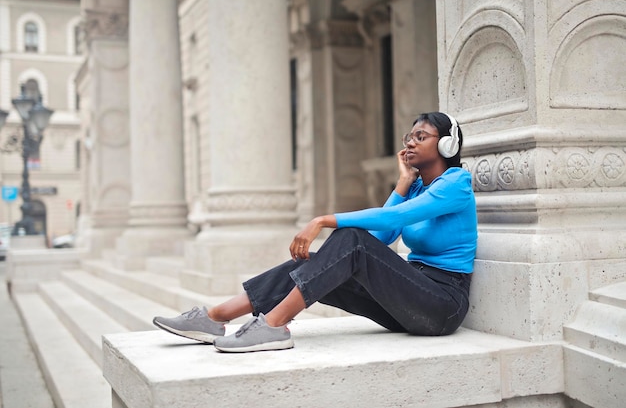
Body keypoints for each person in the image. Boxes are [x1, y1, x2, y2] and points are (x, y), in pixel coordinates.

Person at [153, 111, 477, 353]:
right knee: (310, 264)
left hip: (441, 304)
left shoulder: (455, 184)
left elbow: (394, 218)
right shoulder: (417, 188)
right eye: (409, 135)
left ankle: (274, 325)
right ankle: (215, 317)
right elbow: (383, 237)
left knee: (350, 238)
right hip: (408, 301)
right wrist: (403, 183)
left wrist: (324, 220)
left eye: (421, 136)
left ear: (447, 145)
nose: (410, 142)